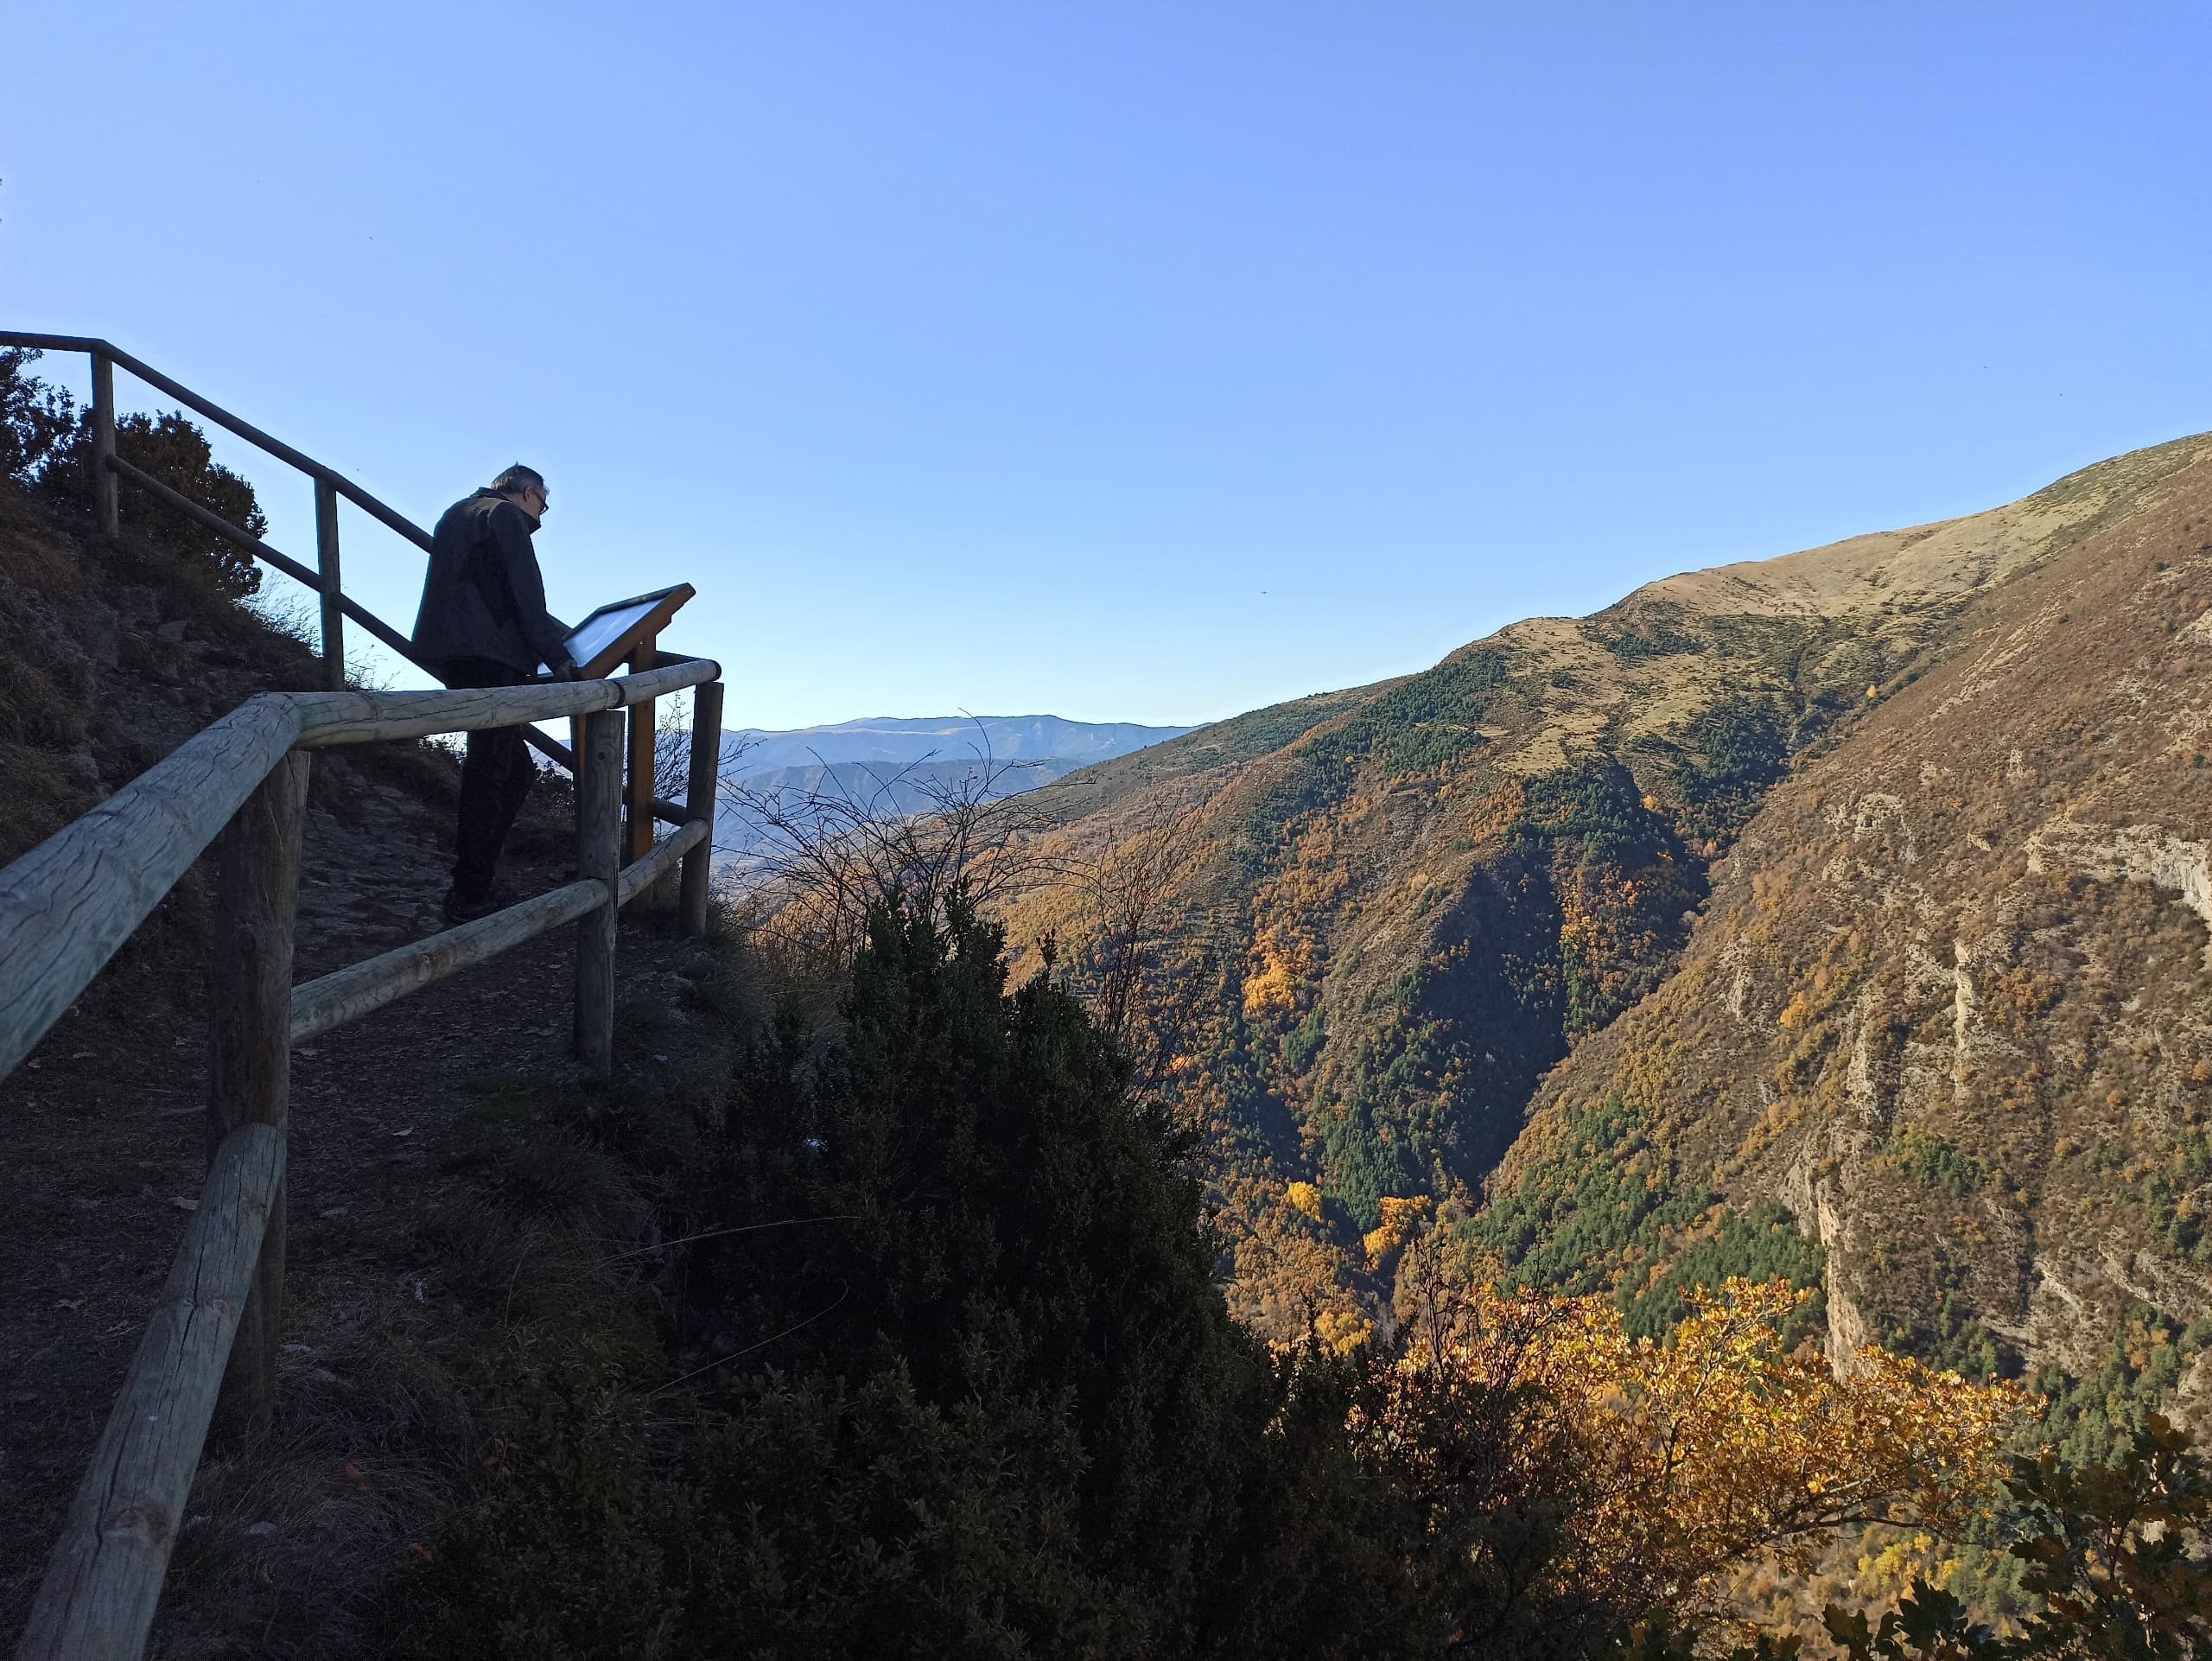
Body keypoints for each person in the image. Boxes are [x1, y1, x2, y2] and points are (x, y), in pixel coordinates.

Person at [411, 463, 582, 924]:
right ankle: (470, 892)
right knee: (493, 772)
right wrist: (559, 656)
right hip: (488, 653)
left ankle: (477, 876)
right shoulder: (504, 518)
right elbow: (526, 594)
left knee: (511, 770)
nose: (542, 517)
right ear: (526, 494)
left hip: (451, 649)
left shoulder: (457, 512)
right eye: (543, 504)